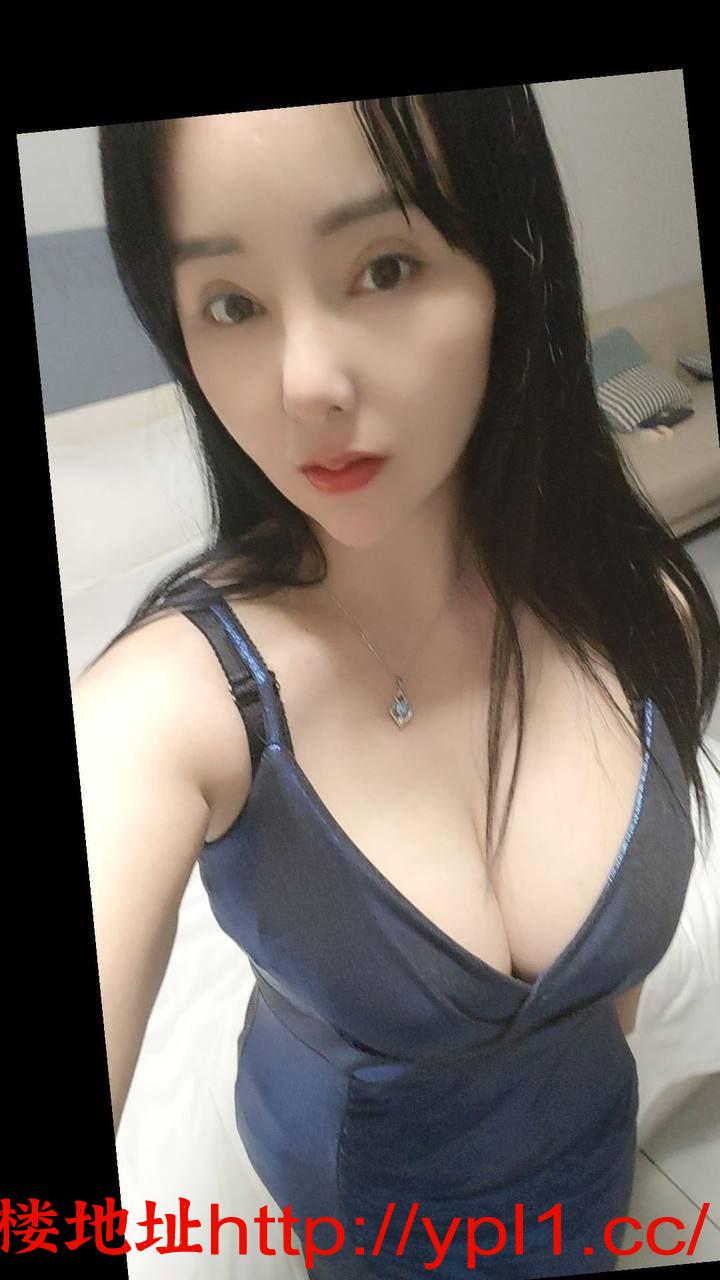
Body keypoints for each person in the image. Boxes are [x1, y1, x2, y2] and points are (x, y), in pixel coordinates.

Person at [72, 90, 719, 1277]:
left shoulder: (652, 615)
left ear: (508, 267)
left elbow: (615, 996)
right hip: (360, 1214)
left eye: (384, 267)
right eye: (231, 303)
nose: (307, 383)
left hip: (588, 1164)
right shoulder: (166, 708)